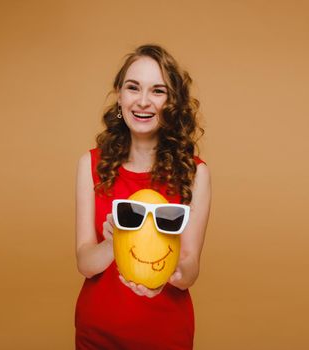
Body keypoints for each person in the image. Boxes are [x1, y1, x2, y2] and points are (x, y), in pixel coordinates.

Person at [75, 44, 211, 349]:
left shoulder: (195, 174)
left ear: (172, 103)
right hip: (97, 334)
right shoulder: (90, 164)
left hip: (166, 334)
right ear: (120, 96)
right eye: (133, 87)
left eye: (158, 91)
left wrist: (172, 274)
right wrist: (114, 242)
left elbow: (190, 268)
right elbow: (85, 262)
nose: (143, 101)